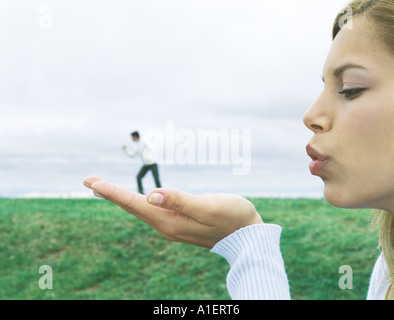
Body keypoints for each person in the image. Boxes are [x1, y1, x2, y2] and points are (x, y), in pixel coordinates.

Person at [84, 0, 394, 299]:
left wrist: (248, 244)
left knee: (148, 174)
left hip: (150, 161)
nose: (310, 115)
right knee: (147, 176)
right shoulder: (387, 271)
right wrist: (246, 238)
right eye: (324, 86)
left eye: (350, 88)